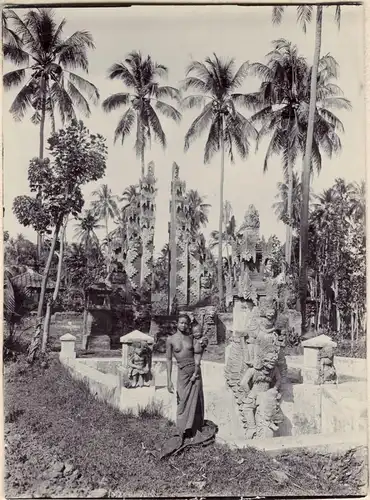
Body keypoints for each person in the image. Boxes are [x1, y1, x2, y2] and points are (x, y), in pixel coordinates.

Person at [161, 313, 217, 458]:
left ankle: (193, 430)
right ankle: (181, 431)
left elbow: (199, 351)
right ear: (177, 323)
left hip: (195, 374)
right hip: (182, 374)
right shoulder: (170, 340)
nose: (184, 325)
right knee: (182, 403)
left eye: (186, 323)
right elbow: (168, 360)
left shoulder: (190, 338)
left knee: (196, 403)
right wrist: (168, 380)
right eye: (181, 323)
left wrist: (204, 342)